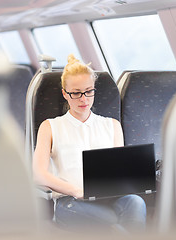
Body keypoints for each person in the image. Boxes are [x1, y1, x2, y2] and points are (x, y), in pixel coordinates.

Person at [32, 54, 147, 233]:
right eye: (76, 93)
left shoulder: (112, 125)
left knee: (135, 201)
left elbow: (120, 173)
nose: (83, 99)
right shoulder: (50, 127)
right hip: (70, 201)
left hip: (109, 198)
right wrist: (76, 191)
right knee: (115, 220)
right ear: (65, 93)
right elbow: (39, 174)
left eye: (88, 91)